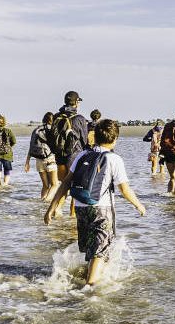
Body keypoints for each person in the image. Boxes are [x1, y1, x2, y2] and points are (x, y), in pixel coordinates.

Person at [43, 119, 147, 287]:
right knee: (98, 252)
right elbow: (125, 190)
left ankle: (86, 277)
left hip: (81, 208)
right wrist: (139, 205)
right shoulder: (114, 159)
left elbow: (65, 183)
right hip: (102, 210)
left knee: (92, 251)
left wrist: (51, 208)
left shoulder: (82, 155)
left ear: (95, 137)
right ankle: (90, 288)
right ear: (115, 140)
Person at [43, 91, 92, 201]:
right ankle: (72, 216)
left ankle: (56, 210)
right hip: (74, 157)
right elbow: (84, 141)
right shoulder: (79, 118)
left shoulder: (56, 116)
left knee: (63, 185)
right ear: (76, 102)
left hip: (59, 157)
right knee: (76, 187)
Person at [27, 112, 58, 195]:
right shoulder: (52, 129)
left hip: (38, 160)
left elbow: (31, 146)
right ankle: (46, 202)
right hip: (50, 158)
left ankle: (42, 205)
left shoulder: (36, 130)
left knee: (45, 186)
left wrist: (27, 162)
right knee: (55, 185)